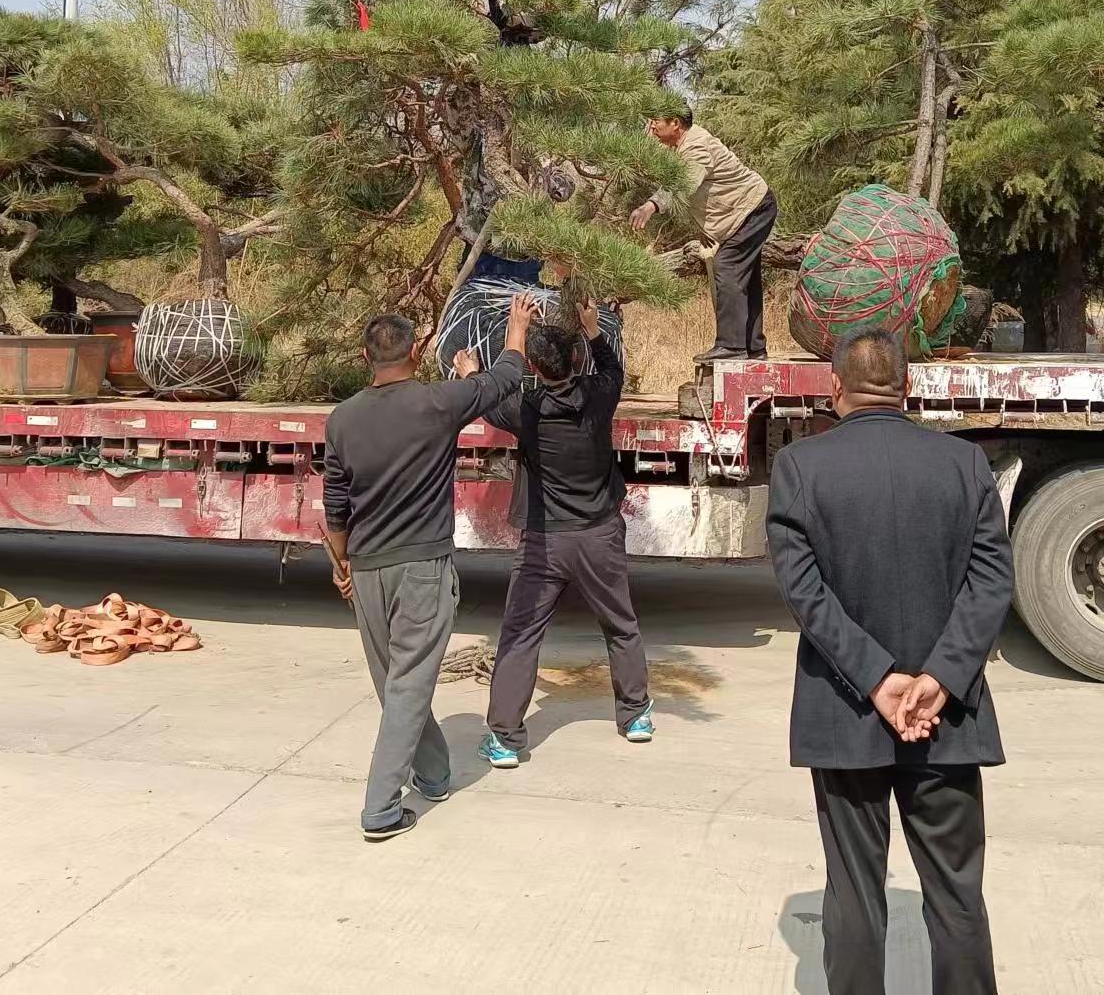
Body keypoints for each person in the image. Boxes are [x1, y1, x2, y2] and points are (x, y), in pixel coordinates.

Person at [767, 327, 1013, 995]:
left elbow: (805, 595)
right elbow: (991, 583)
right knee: (956, 895)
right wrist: (940, 678)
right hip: (946, 718)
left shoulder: (801, 468)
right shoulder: (962, 464)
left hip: (845, 713)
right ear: (907, 386)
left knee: (852, 893)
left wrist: (877, 679)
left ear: (835, 387)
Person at [322, 292, 538, 843]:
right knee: (408, 686)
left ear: (366, 356)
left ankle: (434, 774)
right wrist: (515, 327)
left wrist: (341, 562)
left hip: (366, 568)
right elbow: (505, 378)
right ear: (416, 351)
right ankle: (380, 808)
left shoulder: (342, 418)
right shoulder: (437, 403)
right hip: (421, 568)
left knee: (397, 683)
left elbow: (335, 501)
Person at [452, 297, 653, 763]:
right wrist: (593, 327)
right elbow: (612, 365)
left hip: (545, 543)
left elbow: (489, 393)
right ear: (576, 360)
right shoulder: (601, 395)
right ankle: (635, 716)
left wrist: (477, 366)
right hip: (600, 534)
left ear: (534, 369)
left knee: (521, 634)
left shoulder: (526, 409)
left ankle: (505, 739)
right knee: (621, 625)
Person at [630, 108, 778, 362]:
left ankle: (732, 347)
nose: (651, 126)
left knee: (727, 266)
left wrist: (650, 206)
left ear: (675, 123)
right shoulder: (678, 146)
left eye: (656, 121)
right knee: (745, 277)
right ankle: (753, 347)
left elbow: (682, 186)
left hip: (752, 208)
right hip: (747, 210)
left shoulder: (696, 147)